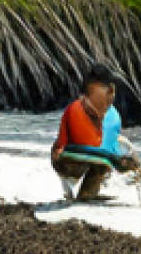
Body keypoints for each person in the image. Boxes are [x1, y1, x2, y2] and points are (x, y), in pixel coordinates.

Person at [51, 64, 121, 202]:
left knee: (102, 159)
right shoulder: (78, 110)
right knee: (103, 160)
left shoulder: (108, 115)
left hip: (72, 158)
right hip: (72, 159)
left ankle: (83, 191)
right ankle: (85, 192)